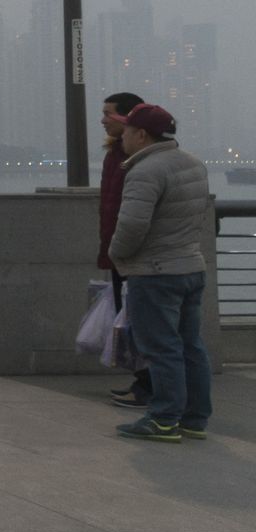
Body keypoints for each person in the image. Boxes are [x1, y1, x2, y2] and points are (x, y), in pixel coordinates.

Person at [108, 103, 212, 443]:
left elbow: (132, 225)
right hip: (190, 267)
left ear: (141, 135)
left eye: (126, 131)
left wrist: (116, 254)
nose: (121, 136)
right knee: (190, 347)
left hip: (155, 273)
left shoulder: (145, 170)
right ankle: (194, 419)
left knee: (161, 348)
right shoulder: (194, 164)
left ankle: (164, 418)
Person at [99, 93, 152, 409]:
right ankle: (142, 383)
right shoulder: (114, 155)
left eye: (108, 114)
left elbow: (133, 212)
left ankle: (149, 388)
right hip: (118, 252)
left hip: (133, 256)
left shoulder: (139, 160)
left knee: (143, 324)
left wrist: (120, 250)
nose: (103, 119)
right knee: (130, 321)